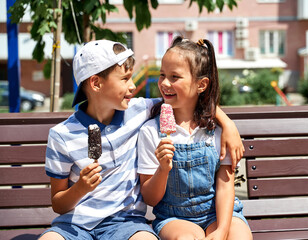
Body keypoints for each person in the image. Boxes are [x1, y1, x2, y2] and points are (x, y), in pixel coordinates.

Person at [39, 39, 244, 240]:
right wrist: (80, 188)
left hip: (125, 224)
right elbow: (58, 205)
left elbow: (190, 101)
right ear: (96, 83)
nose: (133, 85)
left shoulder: (137, 110)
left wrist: (228, 124)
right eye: (125, 78)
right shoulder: (61, 135)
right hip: (73, 226)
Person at [137, 37, 253, 240]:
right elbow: (151, 199)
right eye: (162, 75)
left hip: (218, 213)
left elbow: (226, 185)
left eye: (175, 77)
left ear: (201, 85)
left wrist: (222, 231)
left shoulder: (217, 130)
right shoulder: (150, 131)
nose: (165, 83)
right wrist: (163, 169)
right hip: (173, 218)